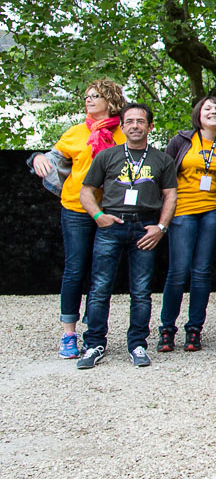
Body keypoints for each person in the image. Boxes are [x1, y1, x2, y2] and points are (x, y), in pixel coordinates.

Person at [74, 102, 178, 370]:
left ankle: (137, 344)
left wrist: (161, 227)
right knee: (99, 288)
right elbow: (86, 191)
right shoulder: (106, 156)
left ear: (149, 126)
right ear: (122, 126)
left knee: (141, 291)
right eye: (129, 121)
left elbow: (170, 195)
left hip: (145, 228)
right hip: (111, 225)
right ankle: (94, 343)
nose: (135, 126)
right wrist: (99, 217)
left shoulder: (162, 159)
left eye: (140, 121)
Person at [36, 78, 127, 359]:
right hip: (76, 208)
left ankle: (95, 334)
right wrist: (39, 157)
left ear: (110, 101)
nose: (88, 100)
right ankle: (68, 335)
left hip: (110, 210)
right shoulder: (76, 133)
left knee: (102, 274)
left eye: (95, 96)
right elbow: (52, 160)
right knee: (75, 269)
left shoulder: (124, 134)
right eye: (87, 96)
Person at [159, 94, 216, 354]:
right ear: (198, 113)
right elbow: (165, 176)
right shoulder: (182, 140)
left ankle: (194, 329)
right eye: (208, 108)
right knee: (178, 271)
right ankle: (167, 329)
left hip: (212, 211)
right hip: (182, 211)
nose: (213, 111)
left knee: (202, 271)